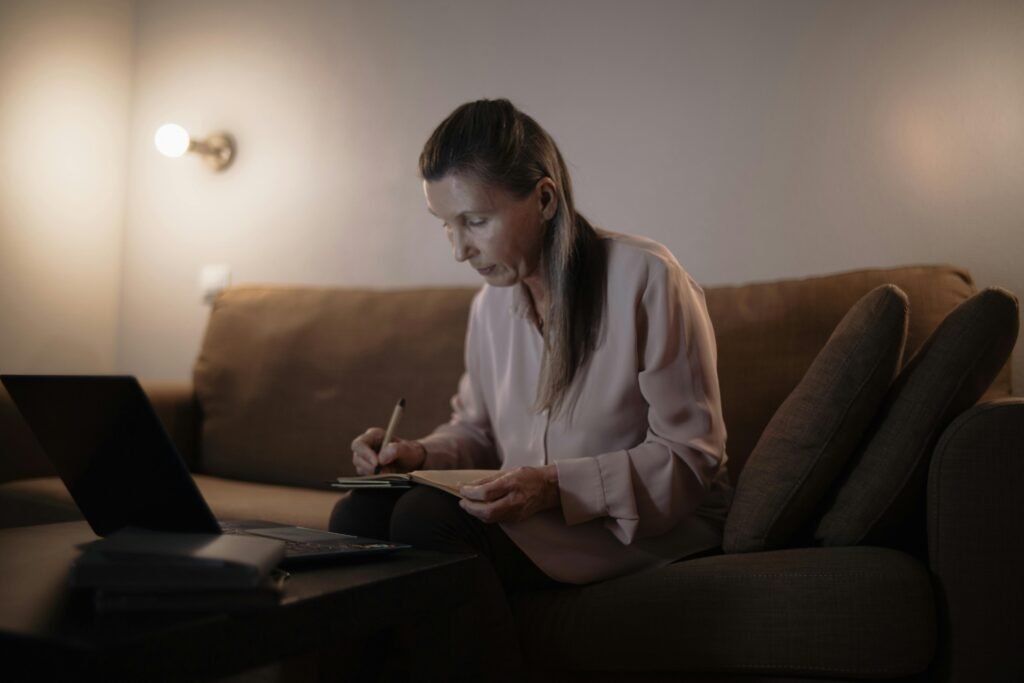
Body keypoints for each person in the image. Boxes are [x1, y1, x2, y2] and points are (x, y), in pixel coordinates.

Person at [329, 98, 733, 675]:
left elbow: (691, 459)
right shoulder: (489, 308)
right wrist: (416, 453)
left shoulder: (647, 279)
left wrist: (552, 487)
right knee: (359, 515)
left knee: (424, 521)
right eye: (447, 225)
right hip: (534, 515)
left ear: (544, 199)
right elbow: (476, 428)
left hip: (645, 525)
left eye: (475, 221)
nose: (459, 250)